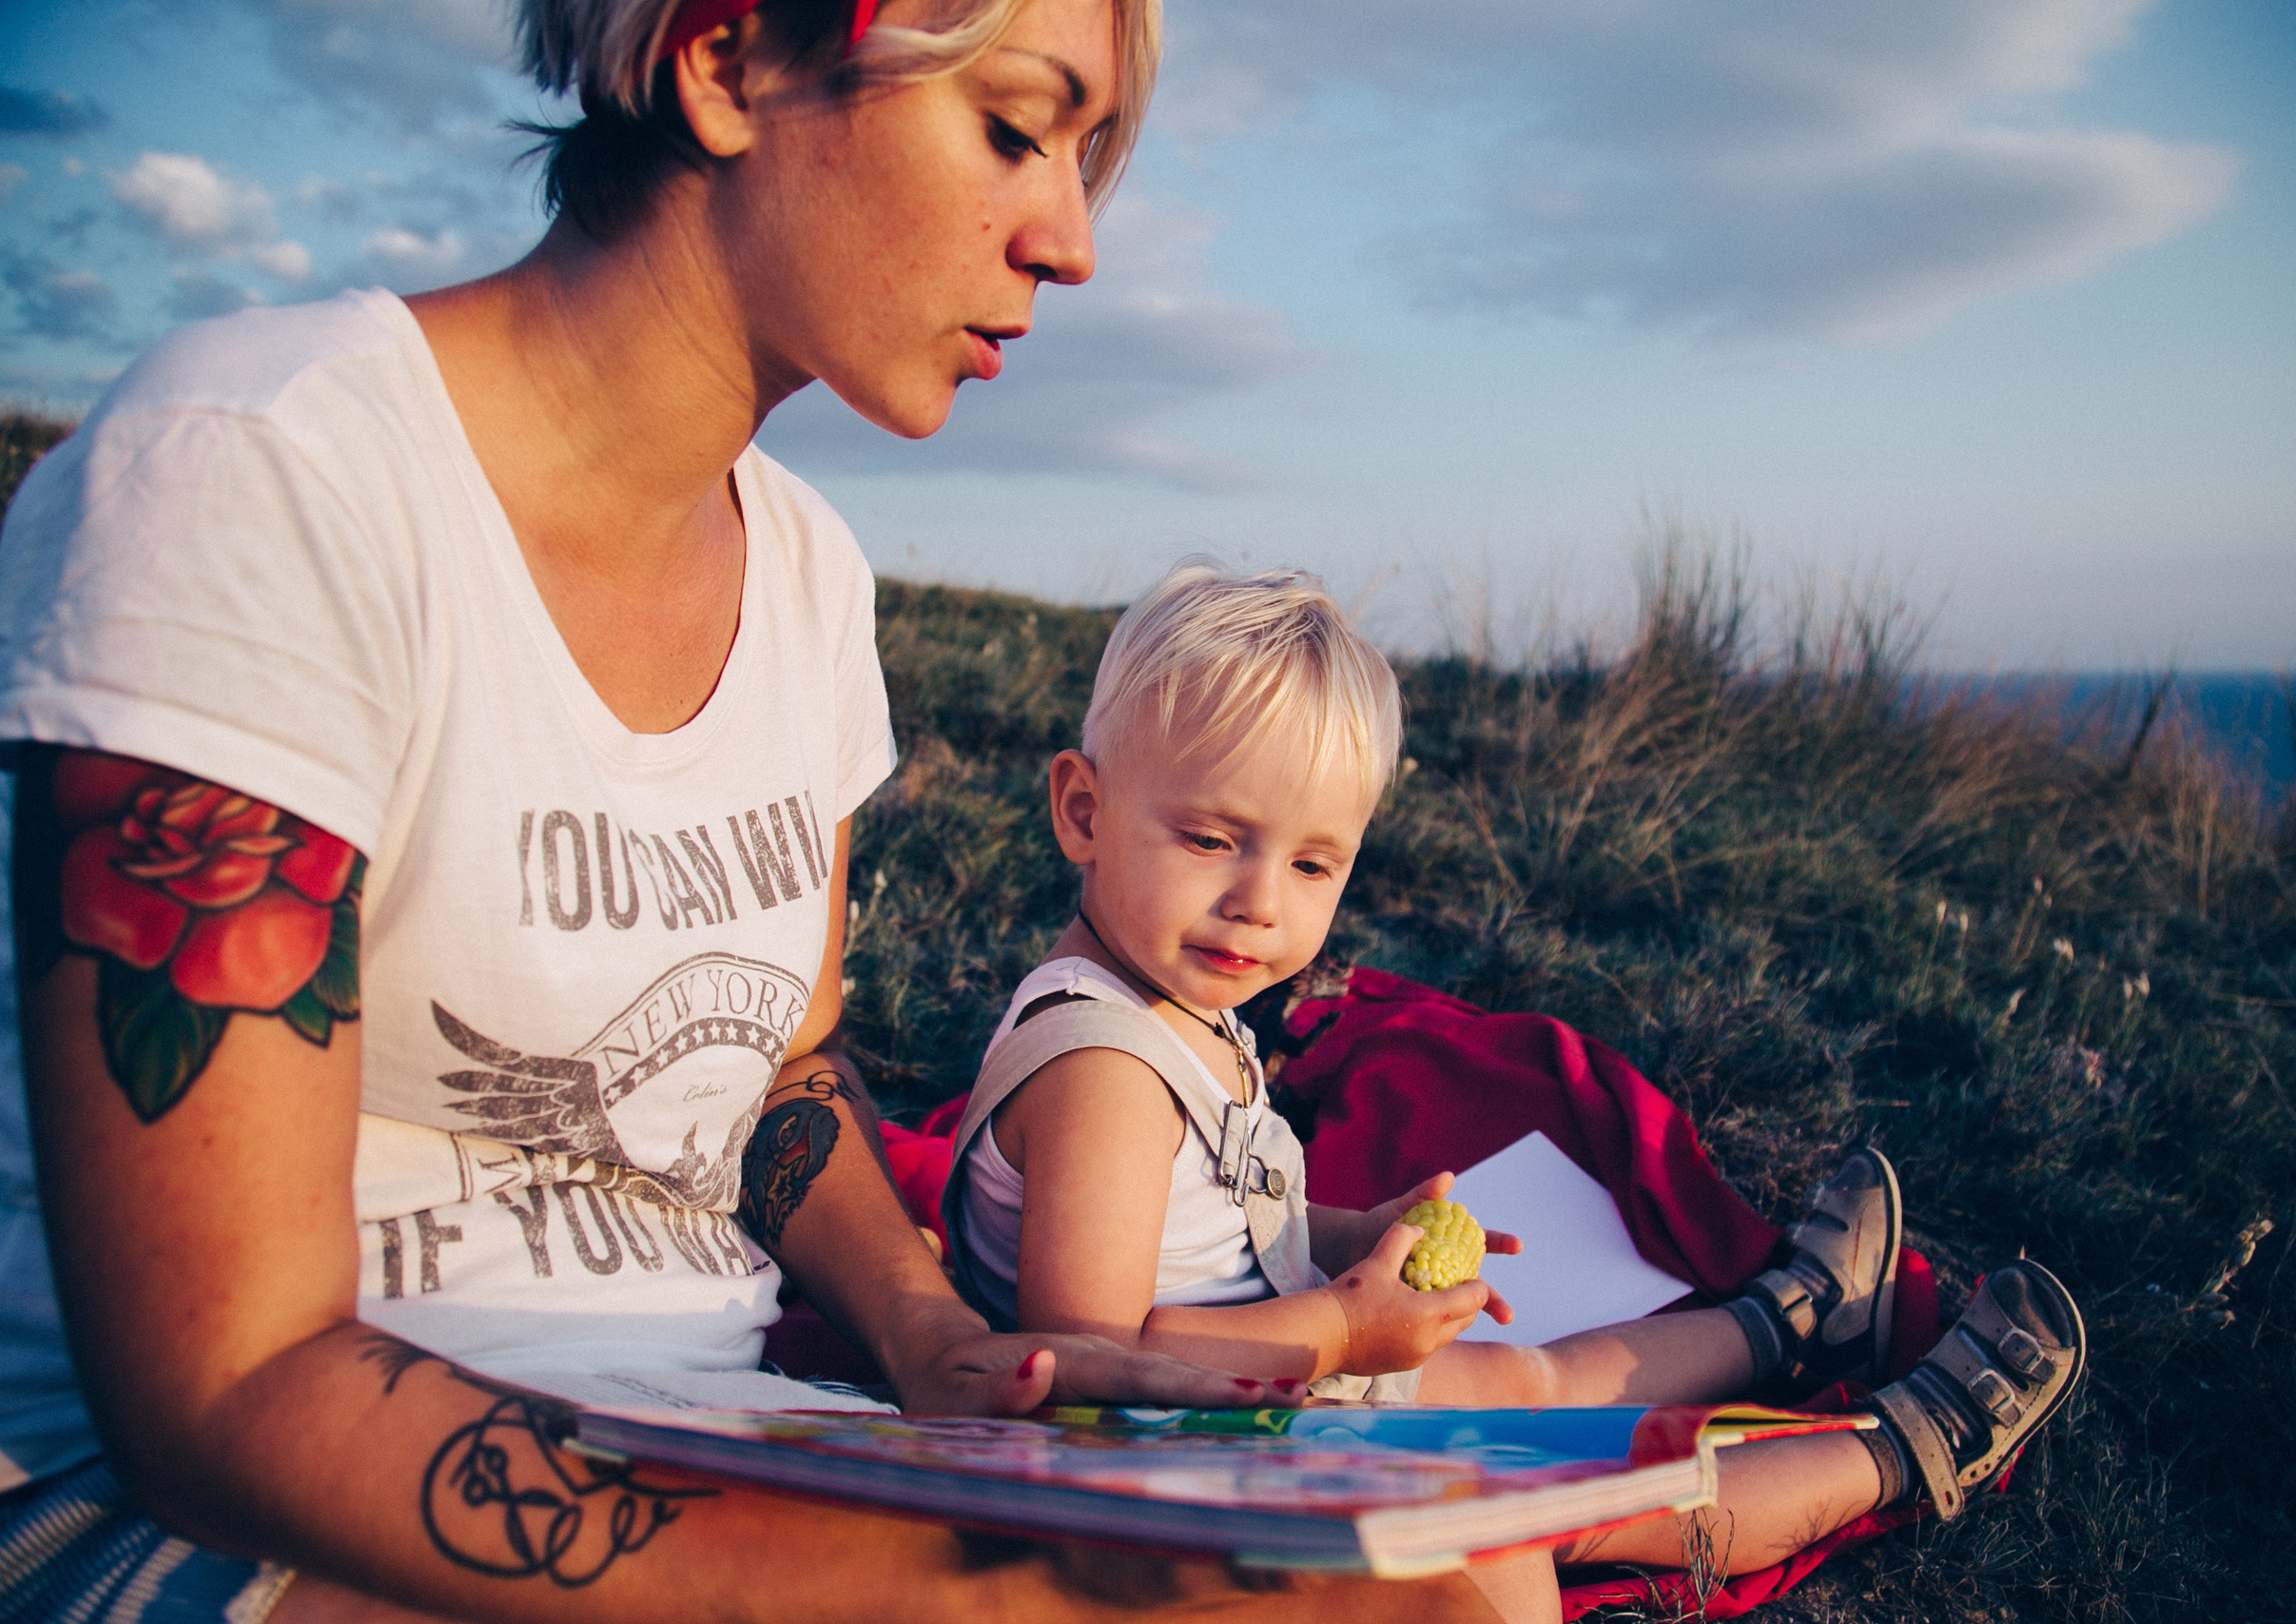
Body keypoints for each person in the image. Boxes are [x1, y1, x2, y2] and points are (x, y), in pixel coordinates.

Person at [0, 2, 1507, 1620]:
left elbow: (782, 1070)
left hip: (717, 1423)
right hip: (226, 1510)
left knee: (1428, 1576)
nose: (1070, 238)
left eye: (1089, 159)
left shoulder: (805, 578)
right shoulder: (261, 475)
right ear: (725, 61)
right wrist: (961, 1594)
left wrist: (929, 1338)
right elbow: (222, 1391)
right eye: (1014, 127)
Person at [942, 560, 2091, 1623]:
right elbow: (1089, 1378)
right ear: (1082, 811)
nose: (1261, 901)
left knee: (1538, 1373)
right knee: (1608, 1495)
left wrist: (1350, 1234)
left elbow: (1207, 1224)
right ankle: (1909, 1446)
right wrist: (1346, 1323)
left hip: (1275, 1381)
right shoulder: (1106, 1077)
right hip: (1213, 1468)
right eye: (1210, 838)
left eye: (1310, 863)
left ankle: (1786, 1320)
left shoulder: (1173, 1000)